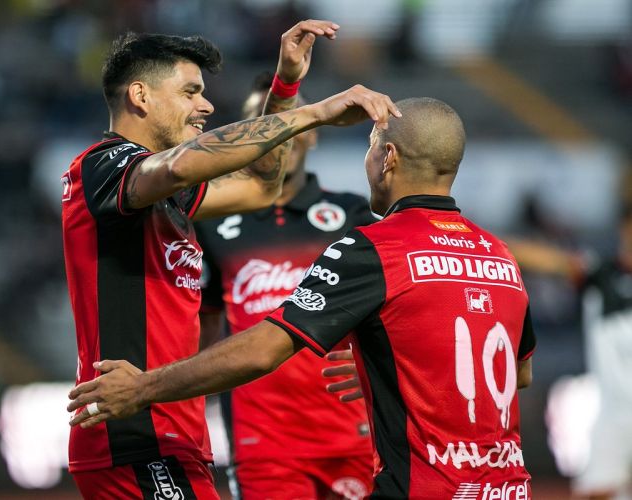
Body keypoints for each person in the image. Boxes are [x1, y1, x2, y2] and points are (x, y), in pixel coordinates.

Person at [67, 97, 534, 499]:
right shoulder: (499, 255)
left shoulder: (373, 245)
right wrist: (390, 357)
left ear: (388, 157)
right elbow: (519, 371)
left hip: (420, 486)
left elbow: (263, 349)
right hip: (507, 486)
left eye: (370, 147)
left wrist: (143, 388)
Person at [61, 21, 400, 500]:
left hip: (169, 432)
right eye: (190, 92)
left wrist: (285, 86)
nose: (206, 106)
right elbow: (180, 164)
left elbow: (262, 185)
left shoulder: (174, 199)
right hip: (132, 430)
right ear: (140, 95)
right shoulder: (101, 165)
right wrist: (317, 114)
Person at [194, 72, 376, 499]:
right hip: (263, 445)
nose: (279, 133)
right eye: (264, 123)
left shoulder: (354, 216)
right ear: (244, 137)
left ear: (312, 134)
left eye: (290, 120)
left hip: (355, 436)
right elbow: (203, 322)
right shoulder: (210, 224)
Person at [507, 212, 632, 500]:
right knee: (597, 492)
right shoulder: (601, 274)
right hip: (614, 413)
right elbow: (548, 260)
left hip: (614, 414)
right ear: (623, 230)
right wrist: (487, 243)